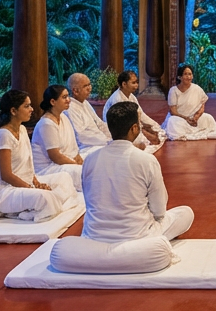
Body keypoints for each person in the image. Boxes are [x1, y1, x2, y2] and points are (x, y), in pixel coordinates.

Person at [80, 101, 194, 243]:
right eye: (139, 123)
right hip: (137, 235)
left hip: (95, 234)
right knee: (185, 213)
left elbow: (89, 201)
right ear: (134, 128)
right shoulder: (146, 160)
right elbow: (159, 210)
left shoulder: (90, 159)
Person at [0, 89, 74, 220]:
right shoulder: (3, 135)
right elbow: (6, 175)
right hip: (4, 190)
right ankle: (25, 214)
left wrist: (37, 183)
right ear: (13, 111)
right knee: (46, 198)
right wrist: (31, 189)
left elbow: (28, 165)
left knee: (65, 179)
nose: (31, 109)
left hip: (24, 183)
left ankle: (32, 208)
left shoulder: (23, 130)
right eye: (26, 106)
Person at [31, 84, 84, 191]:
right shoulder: (46, 124)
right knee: (82, 172)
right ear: (52, 102)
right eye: (64, 97)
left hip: (66, 162)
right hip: (49, 168)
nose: (69, 100)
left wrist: (81, 161)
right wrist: (77, 165)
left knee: (93, 161)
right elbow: (55, 156)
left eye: (68, 96)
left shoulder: (64, 117)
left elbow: (73, 148)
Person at [103, 70, 166, 150]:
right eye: (133, 83)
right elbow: (123, 122)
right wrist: (143, 129)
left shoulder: (132, 96)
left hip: (133, 125)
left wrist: (151, 125)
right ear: (124, 84)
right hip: (120, 129)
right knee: (141, 143)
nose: (136, 85)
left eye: (137, 82)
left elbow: (140, 113)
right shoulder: (117, 99)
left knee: (157, 129)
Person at [65, 73, 113, 157]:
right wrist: (107, 141)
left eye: (89, 84)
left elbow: (100, 124)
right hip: (87, 147)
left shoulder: (85, 103)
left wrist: (114, 136)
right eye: (85, 86)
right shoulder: (70, 108)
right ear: (75, 91)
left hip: (101, 142)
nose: (89, 88)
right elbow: (81, 136)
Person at [164, 64, 216, 140]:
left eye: (190, 74)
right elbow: (173, 111)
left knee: (208, 118)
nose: (188, 77)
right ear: (180, 77)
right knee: (172, 122)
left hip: (193, 118)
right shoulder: (173, 90)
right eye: (185, 74)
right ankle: (182, 132)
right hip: (179, 118)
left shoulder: (197, 88)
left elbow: (202, 105)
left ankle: (192, 129)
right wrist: (187, 119)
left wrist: (196, 117)